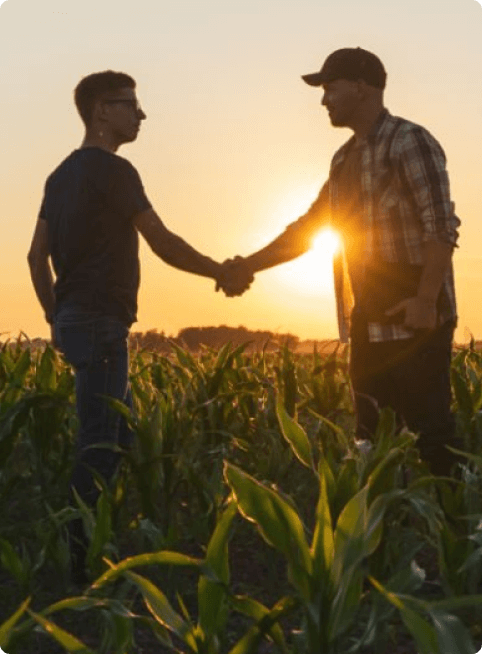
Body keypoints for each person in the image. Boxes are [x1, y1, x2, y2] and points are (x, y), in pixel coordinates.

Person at [27, 70, 252, 583]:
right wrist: (220, 270)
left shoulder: (59, 175)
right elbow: (161, 240)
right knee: (101, 442)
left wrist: (54, 318)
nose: (142, 114)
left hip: (80, 321)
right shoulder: (114, 170)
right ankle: (78, 565)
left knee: (119, 433)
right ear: (101, 111)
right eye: (131, 104)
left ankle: (103, 535)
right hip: (102, 321)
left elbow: (35, 257)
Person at [218, 48, 461, 477]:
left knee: (431, 435)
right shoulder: (344, 159)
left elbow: (440, 226)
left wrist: (426, 301)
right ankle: (386, 533)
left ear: (361, 87)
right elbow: (312, 227)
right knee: (370, 440)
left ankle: (458, 533)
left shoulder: (410, 141)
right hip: (369, 319)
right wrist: (248, 265)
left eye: (330, 88)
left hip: (417, 321)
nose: (323, 100)